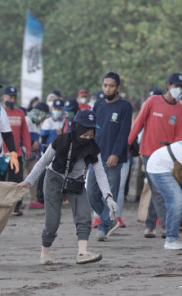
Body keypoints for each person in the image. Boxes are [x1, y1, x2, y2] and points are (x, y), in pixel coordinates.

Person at [18, 109, 119, 265]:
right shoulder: (61, 141)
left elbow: (100, 173)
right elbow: (43, 161)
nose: (87, 138)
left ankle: (82, 252)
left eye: (91, 135)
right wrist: (28, 181)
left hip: (76, 181)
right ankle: (45, 253)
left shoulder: (93, 148)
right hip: (54, 179)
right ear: (76, 127)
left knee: (84, 216)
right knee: (52, 222)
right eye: (84, 134)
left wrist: (108, 197)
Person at [128, 73, 182, 238]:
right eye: (176, 86)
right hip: (148, 152)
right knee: (158, 189)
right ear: (168, 85)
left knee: (157, 189)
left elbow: (179, 134)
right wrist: (129, 143)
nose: (178, 90)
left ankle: (150, 225)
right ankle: (167, 226)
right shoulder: (153, 101)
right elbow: (138, 122)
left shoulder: (179, 108)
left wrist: (178, 156)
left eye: (181, 87)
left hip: (167, 155)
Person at [88, 72, 132, 240]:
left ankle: (104, 226)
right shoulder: (98, 105)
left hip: (114, 158)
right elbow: (90, 130)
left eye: (111, 85)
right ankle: (109, 218)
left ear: (118, 88)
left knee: (110, 195)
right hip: (96, 156)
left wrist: (116, 153)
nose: (108, 88)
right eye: (105, 85)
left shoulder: (125, 106)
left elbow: (124, 132)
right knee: (91, 193)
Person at [1, 86, 31, 216]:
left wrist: (28, 148)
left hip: (16, 154)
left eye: (14, 97)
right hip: (2, 154)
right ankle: (0, 206)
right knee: (1, 181)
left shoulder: (20, 113)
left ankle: (16, 207)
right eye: (10, 97)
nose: (12, 100)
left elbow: (25, 133)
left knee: (17, 181)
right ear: (4, 97)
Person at [24, 102, 49, 209]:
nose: (44, 119)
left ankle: (33, 200)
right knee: (21, 178)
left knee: (33, 177)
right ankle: (17, 202)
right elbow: (22, 136)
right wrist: (31, 143)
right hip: (24, 152)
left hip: (33, 154)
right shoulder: (27, 120)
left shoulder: (36, 123)